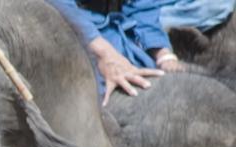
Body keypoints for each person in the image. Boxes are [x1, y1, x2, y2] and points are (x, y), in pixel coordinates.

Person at [48, 0, 182, 104]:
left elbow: (143, 7)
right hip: (69, 32)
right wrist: (104, 54)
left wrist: (163, 53)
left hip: (120, 31)